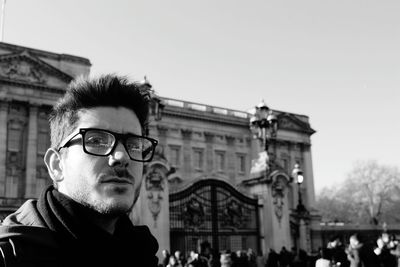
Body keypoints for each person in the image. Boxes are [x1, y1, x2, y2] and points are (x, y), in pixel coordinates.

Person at [0, 74, 160, 267]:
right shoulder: (9, 256)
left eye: (134, 144)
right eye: (96, 141)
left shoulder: (141, 253)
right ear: (57, 165)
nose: (122, 156)